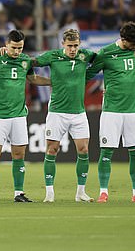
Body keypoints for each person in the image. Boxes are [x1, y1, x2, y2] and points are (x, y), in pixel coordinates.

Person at [0, 30, 51, 203]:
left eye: (20, 48)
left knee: (19, 154)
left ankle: (18, 193)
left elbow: (33, 79)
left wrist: (53, 82)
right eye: (14, 48)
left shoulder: (26, 61)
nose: (17, 51)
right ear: (6, 44)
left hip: (19, 115)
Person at [86, 22, 135, 203]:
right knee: (106, 152)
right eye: (133, 43)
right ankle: (103, 192)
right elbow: (89, 74)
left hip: (133, 111)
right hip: (111, 111)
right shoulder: (105, 53)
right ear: (123, 39)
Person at [36, 29, 96, 203]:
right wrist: (6, 52)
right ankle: (49, 193)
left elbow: (103, 60)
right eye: (69, 46)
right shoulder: (53, 56)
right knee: (52, 150)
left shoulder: (85, 55)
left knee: (84, 150)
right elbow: (30, 62)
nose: (73, 49)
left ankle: (81, 193)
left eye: (76, 46)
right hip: (57, 112)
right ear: (63, 44)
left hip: (78, 113)